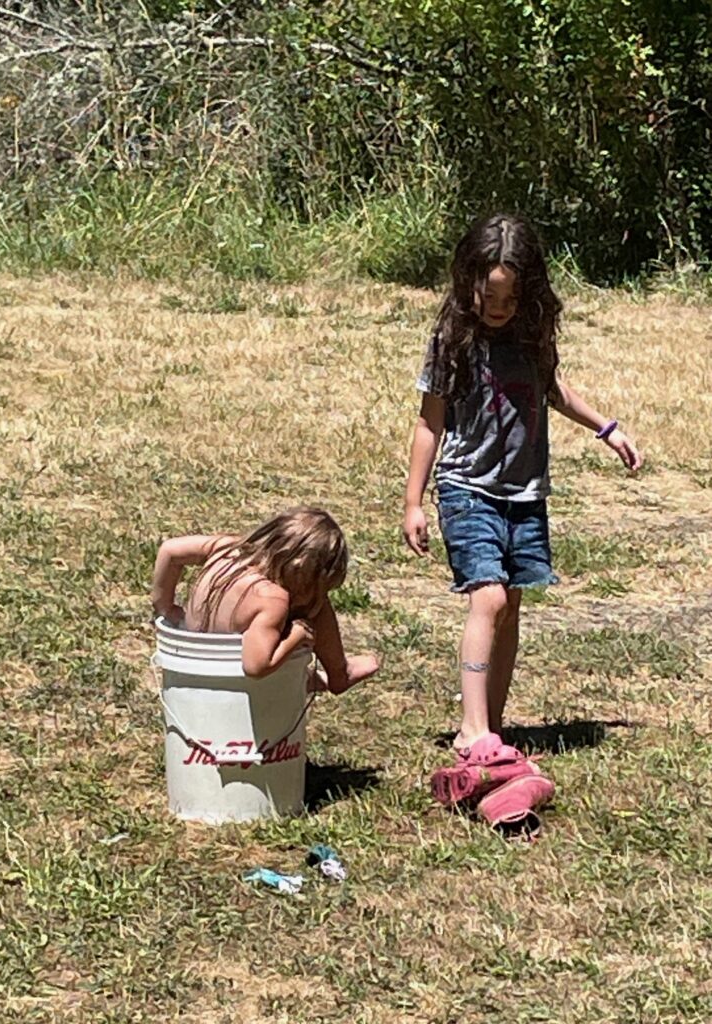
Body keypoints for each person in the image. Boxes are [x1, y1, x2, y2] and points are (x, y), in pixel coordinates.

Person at [403, 213, 642, 767]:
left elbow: (553, 388)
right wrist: (414, 502)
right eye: (489, 296)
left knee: (509, 604)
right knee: (486, 595)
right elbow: (428, 423)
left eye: (509, 298)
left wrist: (607, 428)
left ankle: (494, 723)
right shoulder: (452, 340)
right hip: (466, 486)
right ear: (469, 284)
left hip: (525, 492)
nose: (498, 308)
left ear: (529, 292)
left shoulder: (532, 335)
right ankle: (471, 730)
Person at [152, 507, 378, 693]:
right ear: (303, 575)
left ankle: (313, 677)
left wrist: (165, 606)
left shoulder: (227, 548)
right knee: (317, 608)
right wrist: (297, 636)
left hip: (195, 661)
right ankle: (339, 673)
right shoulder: (272, 600)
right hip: (237, 682)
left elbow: (170, 551)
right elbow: (256, 666)